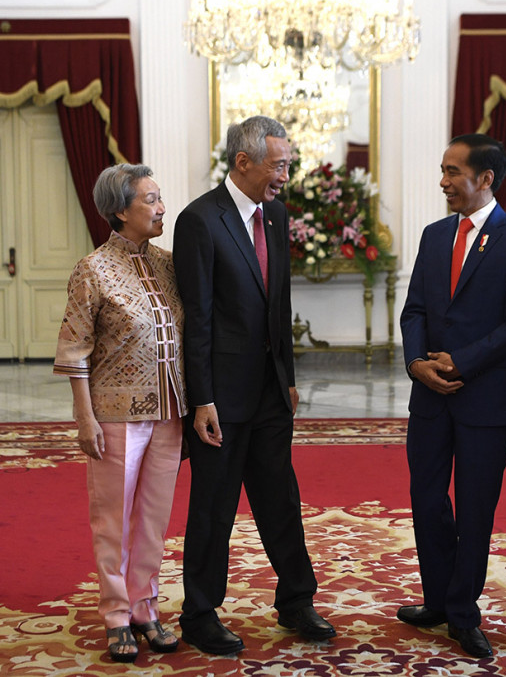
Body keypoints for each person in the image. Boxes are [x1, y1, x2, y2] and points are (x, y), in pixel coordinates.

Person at [172, 115, 335, 655]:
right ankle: (199, 612)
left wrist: (288, 377)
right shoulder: (200, 220)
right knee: (214, 506)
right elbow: (196, 316)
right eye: (279, 164)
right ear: (243, 162)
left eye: (287, 164)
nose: (286, 175)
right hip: (220, 395)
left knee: (280, 497)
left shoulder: (277, 214)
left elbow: (279, 303)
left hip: (269, 391)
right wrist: (202, 399)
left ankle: (296, 601)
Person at [398, 134, 506, 658]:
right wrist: (418, 363)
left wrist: (462, 360)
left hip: (486, 398)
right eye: (442, 170)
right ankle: (437, 598)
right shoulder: (435, 235)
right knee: (427, 501)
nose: (443, 181)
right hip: (430, 396)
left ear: (484, 178)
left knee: (476, 507)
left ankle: (463, 612)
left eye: (452, 172)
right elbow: (414, 309)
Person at [53, 164, 186, 664]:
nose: (161, 208)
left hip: (170, 410)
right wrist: (84, 417)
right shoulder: (92, 268)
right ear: (119, 211)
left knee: (153, 519)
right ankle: (115, 613)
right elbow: (74, 348)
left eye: (160, 197)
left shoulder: (169, 264)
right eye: (150, 200)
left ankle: (145, 607)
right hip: (113, 413)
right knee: (112, 520)